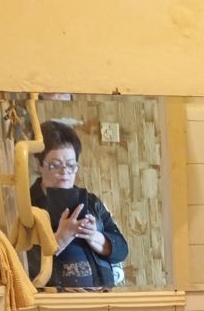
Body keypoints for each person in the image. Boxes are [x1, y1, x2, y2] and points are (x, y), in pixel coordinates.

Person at [27, 120, 128, 289]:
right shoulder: (28, 206)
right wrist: (61, 238)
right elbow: (23, 267)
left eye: (71, 165)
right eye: (55, 165)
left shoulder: (91, 202)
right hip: (53, 302)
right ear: (40, 165)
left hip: (101, 296)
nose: (64, 172)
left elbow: (121, 250)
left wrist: (93, 236)